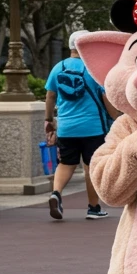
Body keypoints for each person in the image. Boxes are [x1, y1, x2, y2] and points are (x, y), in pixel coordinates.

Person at [45, 30, 118, 221]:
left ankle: (56, 193)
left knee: (66, 163)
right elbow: (105, 97)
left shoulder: (58, 67)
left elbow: (50, 96)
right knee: (90, 167)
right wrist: (116, 117)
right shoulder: (94, 69)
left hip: (66, 127)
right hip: (92, 127)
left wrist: (49, 120)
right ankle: (93, 208)